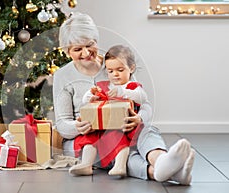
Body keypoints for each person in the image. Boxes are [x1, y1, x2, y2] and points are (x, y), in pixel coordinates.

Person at [53, 12, 195, 185]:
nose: (86, 53)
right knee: (112, 151)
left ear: (96, 40)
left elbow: (144, 104)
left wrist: (139, 118)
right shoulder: (63, 76)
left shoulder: (114, 64)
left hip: (123, 129)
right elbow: (62, 124)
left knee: (146, 130)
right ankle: (167, 173)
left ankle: (161, 160)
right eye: (77, 49)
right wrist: (78, 126)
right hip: (87, 139)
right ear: (67, 51)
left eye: (90, 45)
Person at [70, 45, 147, 177]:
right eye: (111, 71)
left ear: (131, 68)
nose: (115, 74)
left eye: (120, 70)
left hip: (121, 126)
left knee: (118, 138)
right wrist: (91, 96)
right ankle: (86, 164)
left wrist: (122, 91)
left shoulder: (132, 86)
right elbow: (85, 101)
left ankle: (120, 165)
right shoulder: (103, 86)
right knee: (89, 137)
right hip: (101, 126)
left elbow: (142, 97)